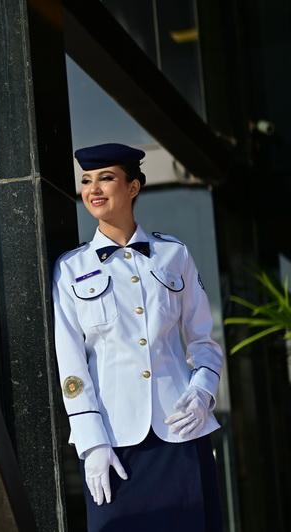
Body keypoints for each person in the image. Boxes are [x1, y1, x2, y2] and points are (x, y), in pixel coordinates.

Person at [51, 143, 224, 532]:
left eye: (105, 178)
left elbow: (204, 343)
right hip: (115, 443)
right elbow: (71, 365)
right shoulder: (70, 269)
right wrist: (92, 441)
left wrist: (202, 394)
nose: (93, 189)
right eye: (86, 181)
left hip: (182, 431)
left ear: (133, 187)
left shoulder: (173, 254)